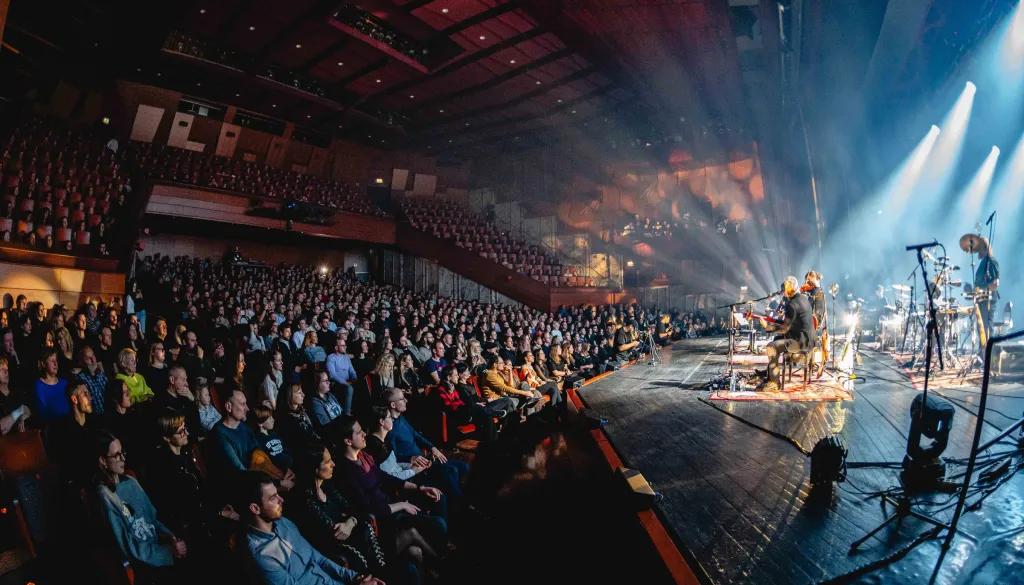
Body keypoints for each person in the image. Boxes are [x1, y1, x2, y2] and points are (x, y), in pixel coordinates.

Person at [239, 471, 385, 585]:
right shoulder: (261, 556)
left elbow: (318, 558)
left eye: (278, 494)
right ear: (255, 508)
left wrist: (356, 578)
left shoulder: (283, 523)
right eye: (273, 498)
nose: (281, 499)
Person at [332, 416, 449, 554]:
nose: (364, 434)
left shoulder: (363, 456)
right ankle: (442, 554)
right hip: (385, 517)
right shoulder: (347, 472)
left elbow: (386, 478)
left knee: (439, 497)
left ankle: (441, 547)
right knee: (437, 523)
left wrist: (420, 488)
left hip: (394, 502)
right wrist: (402, 505)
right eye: (359, 432)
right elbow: (368, 507)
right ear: (348, 441)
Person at [92, 431, 188, 583]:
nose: (123, 458)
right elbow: (128, 546)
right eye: (116, 455)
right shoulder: (105, 494)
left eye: (122, 452)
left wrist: (172, 538)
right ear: (103, 461)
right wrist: (167, 552)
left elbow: (153, 519)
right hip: (144, 562)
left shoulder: (130, 481)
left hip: (158, 546)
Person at [288, 444, 391, 577]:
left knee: (367, 531)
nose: (333, 464)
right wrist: (348, 521)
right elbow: (330, 532)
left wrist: (350, 522)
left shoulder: (328, 486)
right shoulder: (303, 500)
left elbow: (354, 508)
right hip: (336, 552)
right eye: (327, 461)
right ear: (315, 468)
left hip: (355, 535)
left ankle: (381, 573)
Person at [382, 387, 470, 505]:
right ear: (393, 405)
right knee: (451, 470)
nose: (406, 400)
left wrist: (432, 447)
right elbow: (391, 456)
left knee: (464, 466)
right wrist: (410, 458)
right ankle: (462, 504)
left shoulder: (401, 418)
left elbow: (415, 434)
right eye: (402, 399)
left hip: (424, 459)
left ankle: (454, 498)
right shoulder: (388, 428)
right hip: (415, 466)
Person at [146, 411, 204, 537]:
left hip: (201, 511)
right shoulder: (164, 467)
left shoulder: (184, 453)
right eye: (181, 431)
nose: (186, 433)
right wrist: (216, 512)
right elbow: (184, 506)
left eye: (185, 428)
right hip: (187, 524)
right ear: (167, 438)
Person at [757, 276, 815, 392]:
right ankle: (770, 375)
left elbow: (784, 328)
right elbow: (788, 323)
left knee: (772, 346)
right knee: (776, 339)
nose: (783, 292)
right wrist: (770, 322)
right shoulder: (803, 298)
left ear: (790, 288)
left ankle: (775, 383)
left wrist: (767, 326)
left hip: (801, 342)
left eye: (785, 289)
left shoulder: (792, 304)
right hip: (808, 339)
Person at [48, 382, 99, 489]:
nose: (90, 398)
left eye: (89, 394)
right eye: (85, 394)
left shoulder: (95, 422)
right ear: (74, 399)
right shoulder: (62, 429)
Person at [276, 382, 321, 450]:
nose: (303, 395)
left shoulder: (302, 412)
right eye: (299, 392)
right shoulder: (287, 420)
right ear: (289, 395)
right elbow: (301, 443)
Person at [252, 405, 293, 472]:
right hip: (278, 472)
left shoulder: (275, 435)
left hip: (290, 467)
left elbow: (286, 449)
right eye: (269, 418)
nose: (273, 420)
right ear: (260, 423)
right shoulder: (259, 440)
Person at [34, 347, 69, 423]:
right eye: (52, 361)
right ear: (43, 364)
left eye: (56, 360)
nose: (55, 364)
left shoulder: (64, 383)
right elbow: (42, 413)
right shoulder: (39, 385)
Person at [75, 346, 109, 416]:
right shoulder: (80, 379)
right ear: (81, 362)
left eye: (93, 356)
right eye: (88, 358)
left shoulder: (101, 375)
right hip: (97, 418)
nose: (93, 360)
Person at [0, 357, 31, 435]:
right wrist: (19, 411)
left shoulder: (16, 393)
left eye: (6, 369)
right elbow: (1, 428)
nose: (6, 372)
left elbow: (28, 411)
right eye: (2, 369)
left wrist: (22, 417)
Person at [325, 339, 356, 413]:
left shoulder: (346, 358)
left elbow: (352, 371)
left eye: (345, 345)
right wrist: (344, 382)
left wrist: (354, 378)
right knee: (349, 388)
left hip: (348, 381)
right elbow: (332, 375)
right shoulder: (331, 357)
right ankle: (347, 413)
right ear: (336, 347)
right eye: (343, 345)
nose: (345, 347)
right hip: (337, 383)